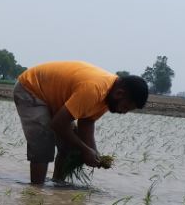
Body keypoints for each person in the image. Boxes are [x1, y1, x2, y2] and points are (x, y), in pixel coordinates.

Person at [13, 61, 148, 184]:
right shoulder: (94, 89)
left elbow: (87, 121)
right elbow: (58, 124)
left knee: (71, 146)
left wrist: (93, 152)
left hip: (54, 97)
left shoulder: (108, 97)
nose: (123, 112)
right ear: (119, 94)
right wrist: (85, 149)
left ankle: (57, 184)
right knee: (43, 142)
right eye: (125, 108)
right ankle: (36, 192)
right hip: (31, 88)